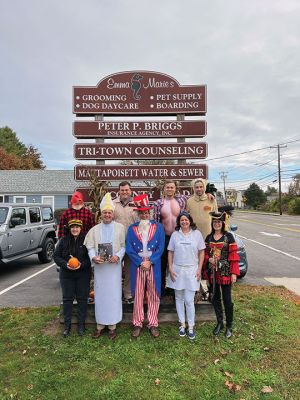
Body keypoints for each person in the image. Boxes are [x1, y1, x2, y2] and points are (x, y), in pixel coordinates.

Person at [84, 193, 125, 340]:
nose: (107, 215)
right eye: (105, 213)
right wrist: (93, 257)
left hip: (114, 269)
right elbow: (89, 247)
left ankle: (112, 326)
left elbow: (124, 246)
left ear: (112, 214)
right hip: (100, 269)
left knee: (113, 296)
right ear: (101, 214)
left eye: (109, 212)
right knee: (100, 296)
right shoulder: (94, 230)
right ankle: (100, 326)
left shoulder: (120, 228)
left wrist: (118, 256)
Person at [126, 194, 165, 338]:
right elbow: (129, 248)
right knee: (138, 294)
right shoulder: (132, 229)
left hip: (153, 264)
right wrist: (140, 262)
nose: (144, 215)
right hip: (138, 265)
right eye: (142, 212)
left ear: (150, 213)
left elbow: (161, 247)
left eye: (146, 212)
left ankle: (153, 322)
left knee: (154, 293)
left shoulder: (158, 227)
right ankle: (137, 322)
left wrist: (151, 261)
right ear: (138, 214)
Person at [166, 211, 205, 340]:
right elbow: (170, 252)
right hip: (177, 270)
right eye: (181, 220)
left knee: (189, 300)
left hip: (192, 270)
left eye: (186, 220)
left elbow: (201, 252)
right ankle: (182, 324)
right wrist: (170, 268)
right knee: (179, 298)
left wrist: (199, 268)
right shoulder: (175, 235)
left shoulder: (197, 234)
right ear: (179, 222)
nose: (184, 222)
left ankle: (191, 325)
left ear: (190, 221)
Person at [203, 211, 240, 338]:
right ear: (212, 223)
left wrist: (234, 273)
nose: (216, 224)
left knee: (227, 300)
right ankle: (220, 323)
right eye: (214, 222)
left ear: (223, 223)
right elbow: (205, 253)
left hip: (225, 272)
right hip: (212, 272)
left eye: (219, 222)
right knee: (215, 298)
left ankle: (229, 325)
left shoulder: (229, 237)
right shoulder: (208, 237)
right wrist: (209, 259)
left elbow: (234, 256)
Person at [54, 219, 91, 337]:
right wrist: (65, 264)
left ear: (81, 228)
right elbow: (56, 256)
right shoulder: (63, 241)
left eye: (77, 227)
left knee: (82, 299)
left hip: (82, 274)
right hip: (67, 275)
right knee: (67, 299)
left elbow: (90, 258)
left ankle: (81, 325)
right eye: (73, 227)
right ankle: (67, 326)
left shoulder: (86, 241)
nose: (75, 229)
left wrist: (82, 265)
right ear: (70, 229)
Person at [153, 180, 187, 297]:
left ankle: (175, 291)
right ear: (164, 188)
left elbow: (196, 195)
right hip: (164, 237)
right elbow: (156, 222)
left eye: (172, 187)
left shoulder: (181, 200)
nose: (170, 189)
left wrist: (209, 194)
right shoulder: (158, 203)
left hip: (178, 237)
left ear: (175, 188)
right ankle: (161, 291)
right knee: (162, 265)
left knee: (176, 264)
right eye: (167, 187)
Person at [113, 181, 139, 303]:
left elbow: (144, 221)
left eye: (127, 190)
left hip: (131, 242)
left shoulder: (136, 204)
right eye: (122, 190)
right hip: (116, 242)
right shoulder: (113, 204)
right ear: (119, 191)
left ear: (130, 191)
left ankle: (128, 294)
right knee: (115, 268)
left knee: (129, 269)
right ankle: (115, 293)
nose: (124, 192)